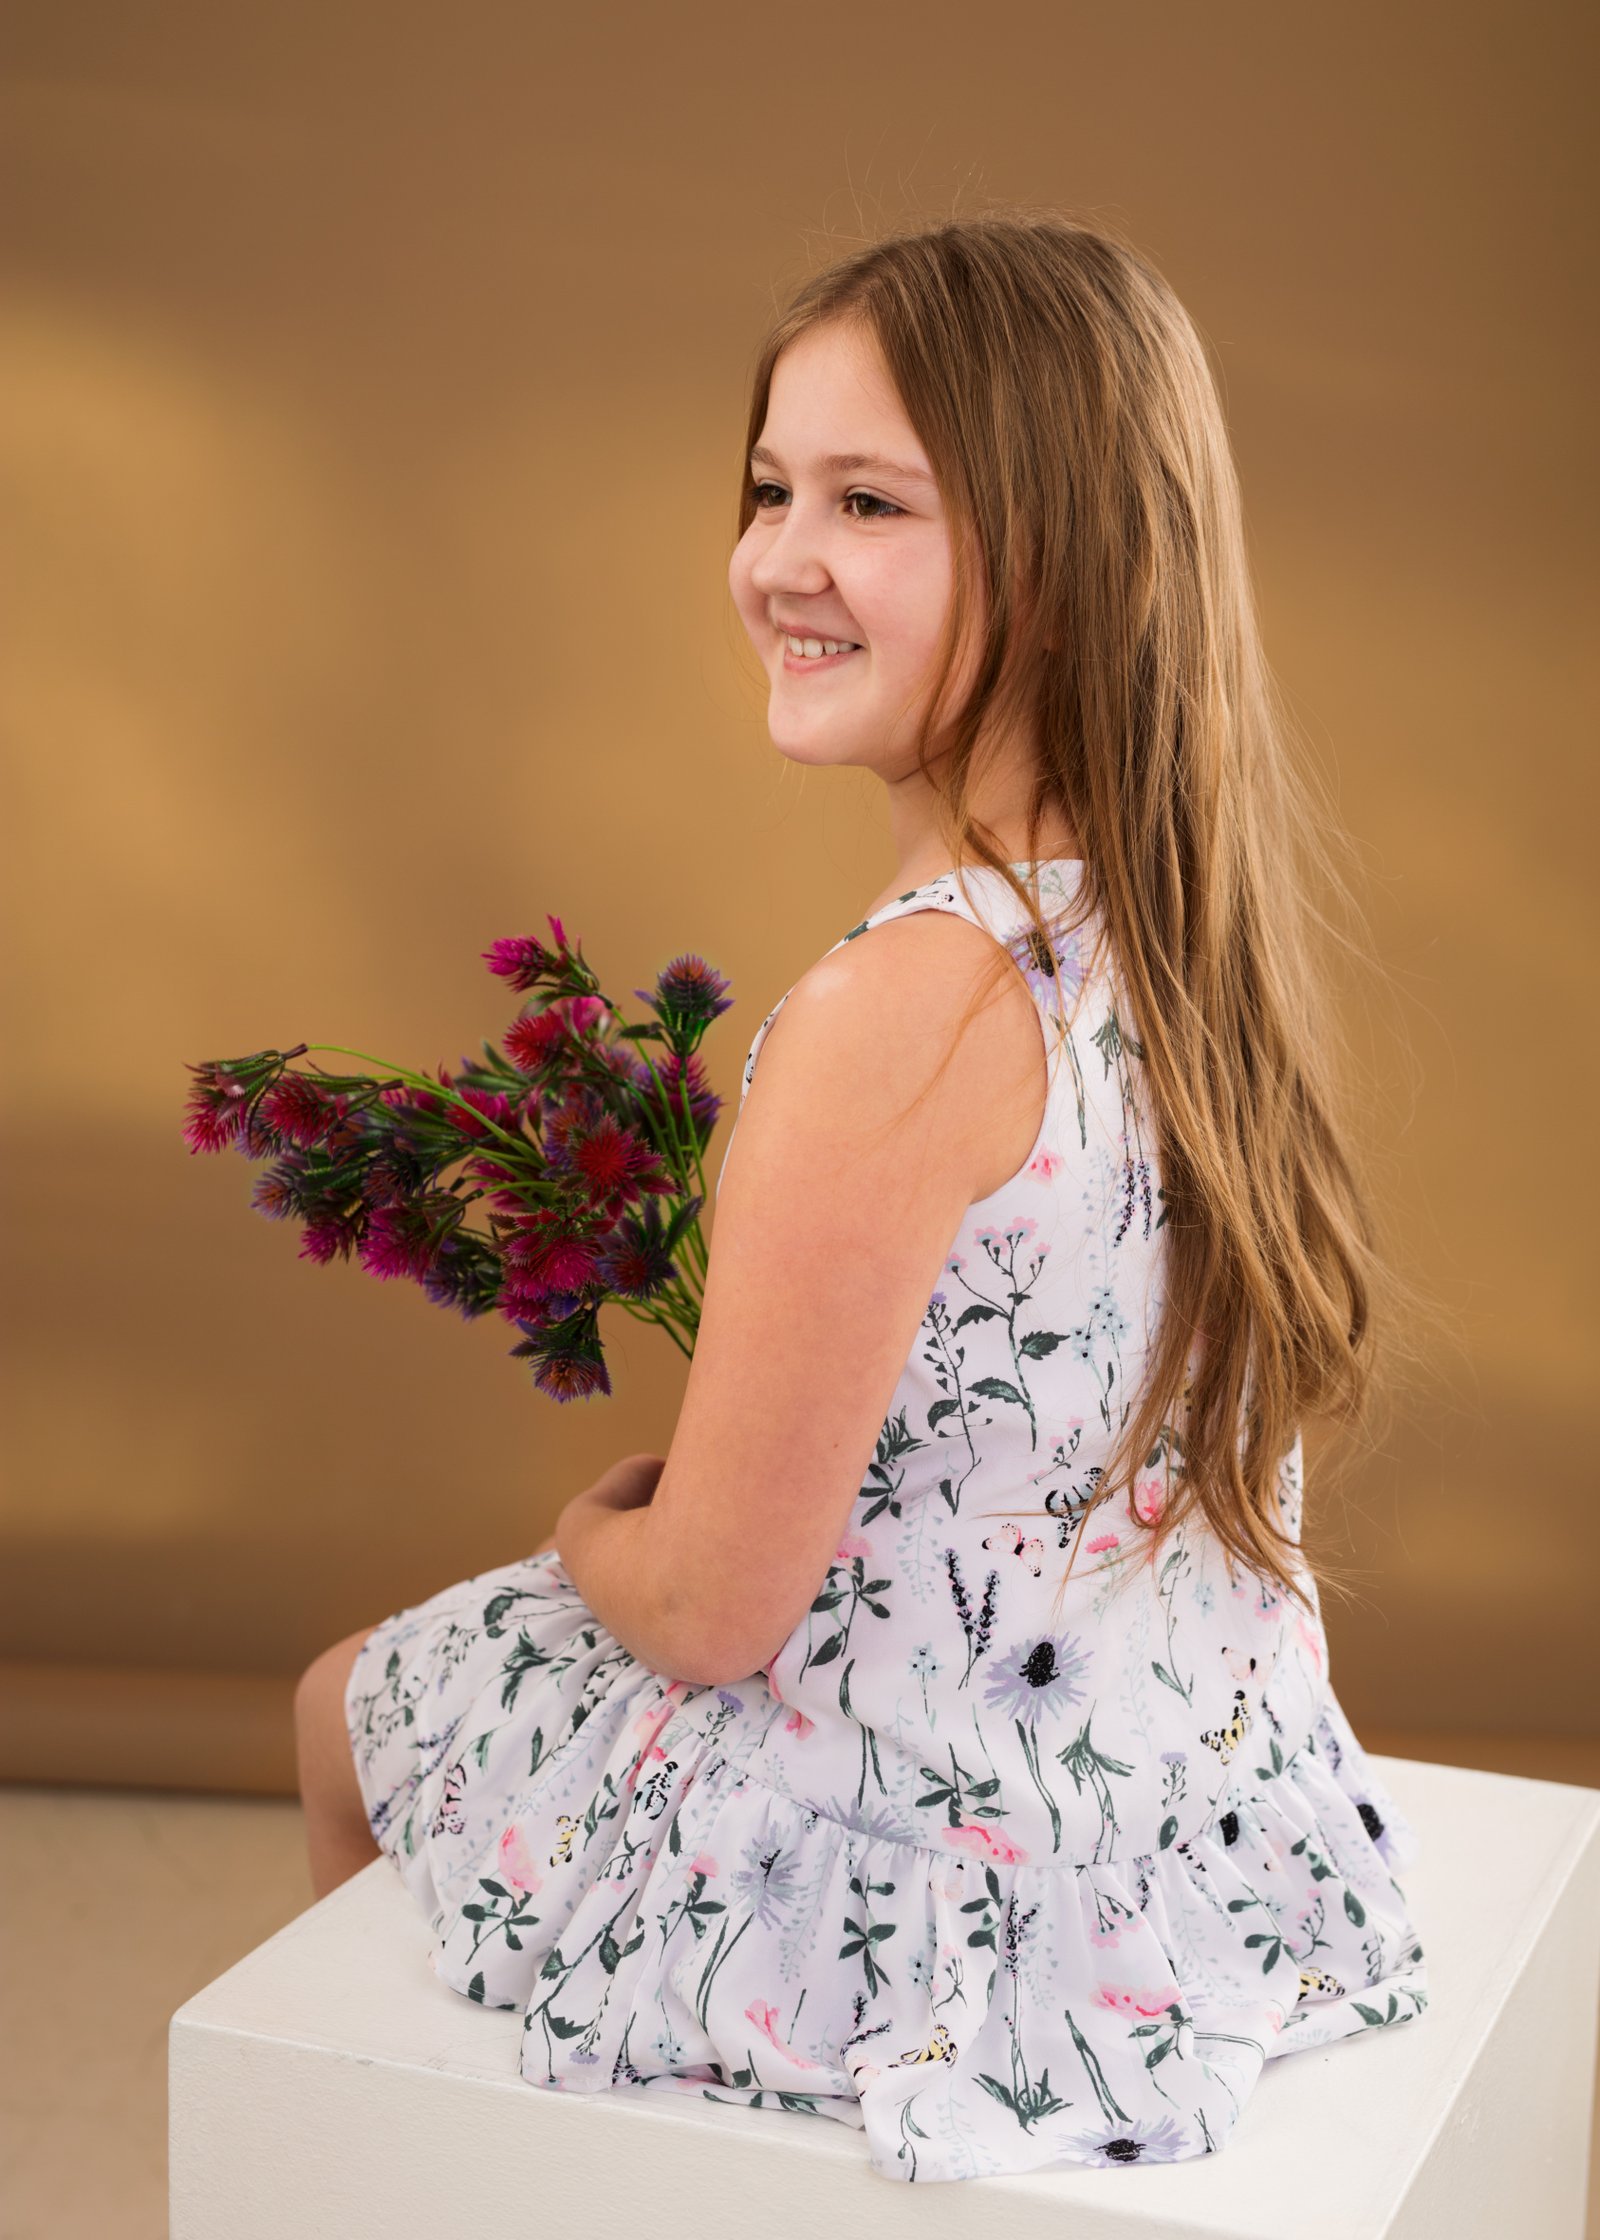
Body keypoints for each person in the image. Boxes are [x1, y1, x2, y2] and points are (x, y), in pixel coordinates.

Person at [295, 208, 1429, 2183]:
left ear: (1064, 573)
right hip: (1181, 1794)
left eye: (868, 503)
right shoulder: (1173, 936)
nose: (777, 559)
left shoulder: (898, 1011)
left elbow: (713, 1610)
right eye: (769, 488)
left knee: (345, 1704)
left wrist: (590, 1533)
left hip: (934, 1858)